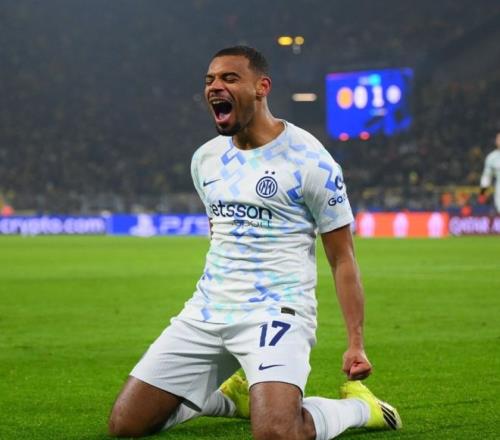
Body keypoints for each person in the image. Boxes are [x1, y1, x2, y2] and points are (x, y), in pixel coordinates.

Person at [108, 46, 402, 439]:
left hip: (276, 312)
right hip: (207, 311)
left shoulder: (311, 161)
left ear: (262, 87)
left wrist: (356, 343)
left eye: (229, 78)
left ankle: (358, 408)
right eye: (210, 80)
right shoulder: (205, 160)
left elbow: (342, 259)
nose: (215, 86)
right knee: (125, 425)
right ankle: (235, 400)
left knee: (276, 433)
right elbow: (220, 233)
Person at [479, 132, 500, 213]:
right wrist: (483, 192)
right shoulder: (492, 158)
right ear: (496, 141)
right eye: (498, 139)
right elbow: (487, 176)